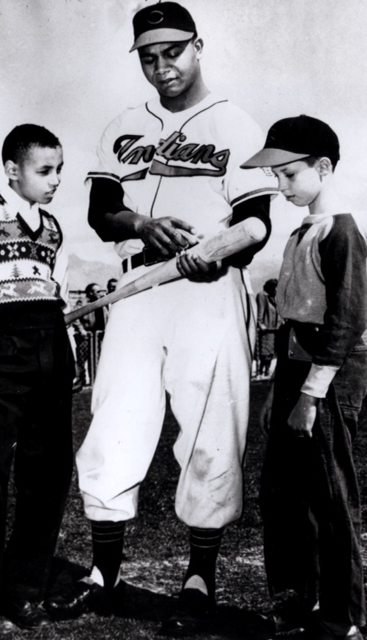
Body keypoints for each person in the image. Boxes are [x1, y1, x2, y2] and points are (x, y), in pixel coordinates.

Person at [47, 2, 277, 633]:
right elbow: (103, 210)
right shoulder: (125, 123)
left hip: (208, 288)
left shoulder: (235, 123)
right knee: (116, 414)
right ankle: (104, 576)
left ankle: (199, 582)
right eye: (148, 56)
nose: (161, 66)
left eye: (172, 51)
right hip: (137, 288)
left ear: (198, 46)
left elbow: (256, 220)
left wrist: (217, 251)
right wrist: (143, 225)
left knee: (210, 422)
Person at [241, 115, 367, 640]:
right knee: (282, 492)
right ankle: (296, 600)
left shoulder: (341, 230)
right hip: (295, 371)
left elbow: (347, 319)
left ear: (324, 167)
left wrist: (311, 396)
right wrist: (278, 392)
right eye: (276, 175)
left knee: (330, 494)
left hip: (330, 377)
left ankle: (342, 619)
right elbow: (292, 320)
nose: (280, 185)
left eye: (290, 175)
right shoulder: (300, 233)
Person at [0, 124, 75, 640]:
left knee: (46, 478)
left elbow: (58, 289)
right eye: (44, 171)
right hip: (2, 355)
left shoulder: (53, 226)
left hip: (52, 350)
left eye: (59, 171)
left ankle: (24, 589)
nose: (54, 182)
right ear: (12, 169)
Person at [254, 278, 281, 378]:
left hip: (276, 329)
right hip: (266, 329)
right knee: (265, 351)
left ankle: (267, 371)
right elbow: (260, 312)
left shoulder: (276, 296)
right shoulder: (262, 295)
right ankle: (261, 370)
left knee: (272, 351)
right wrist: (261, 324)